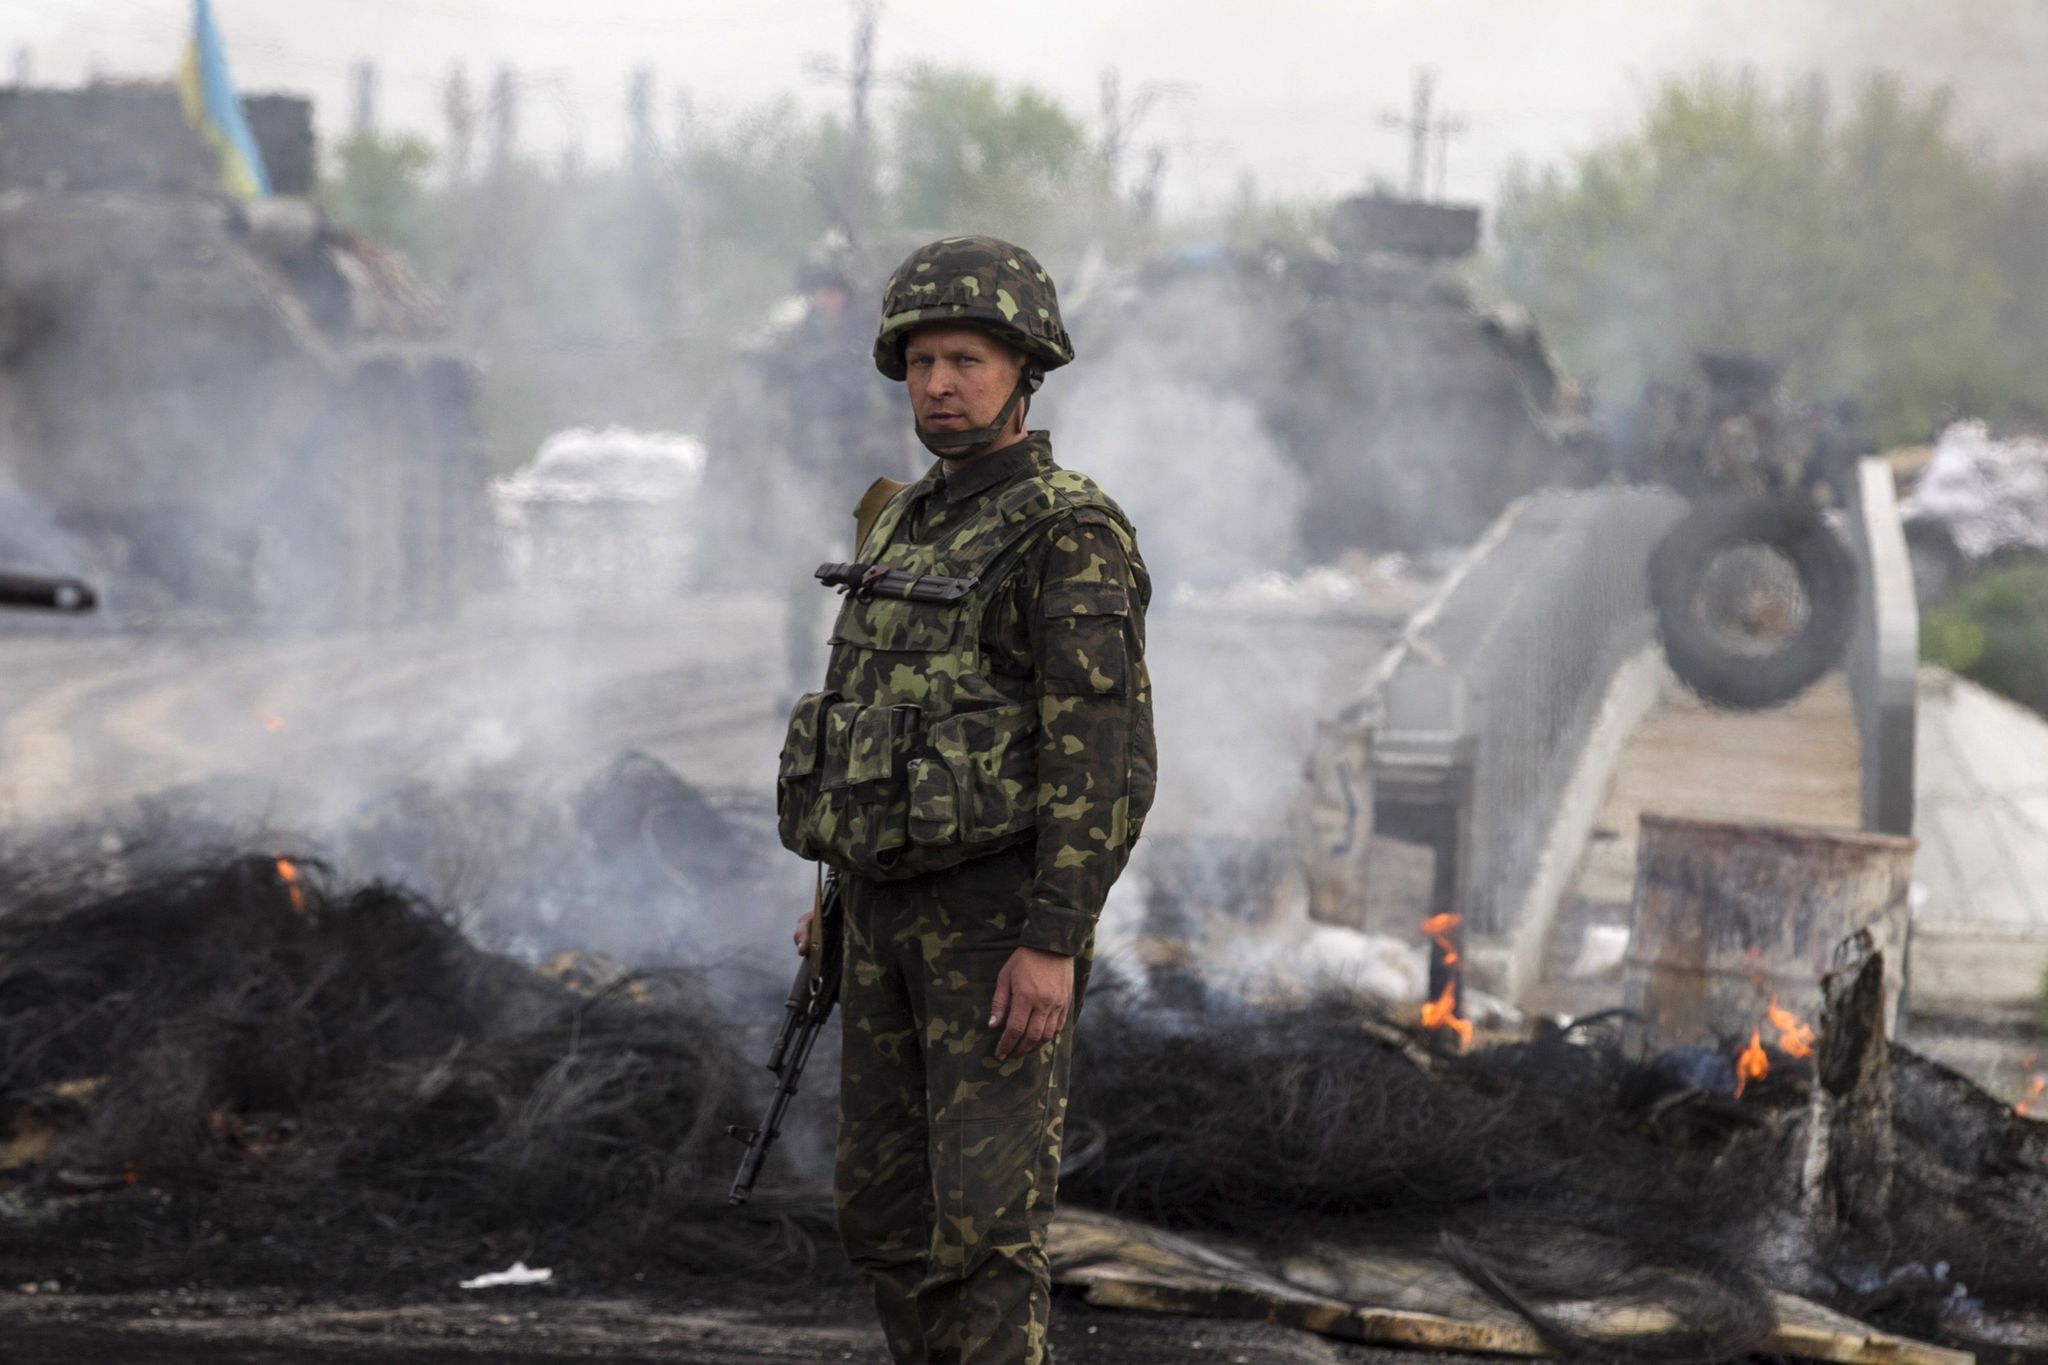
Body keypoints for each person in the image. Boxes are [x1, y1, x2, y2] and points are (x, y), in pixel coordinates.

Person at [777, 235, 1155, 1364]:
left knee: (984, 1235)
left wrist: (1053, 939)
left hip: (993, 928)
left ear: (1023, 371)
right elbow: (863, 718)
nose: (939, 384)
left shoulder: (1066, 531)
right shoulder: (897, 517)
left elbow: (1103, 755)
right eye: (922, 361)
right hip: (882, 920)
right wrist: (833, 894)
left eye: (967, 362)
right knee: (884, 1220)